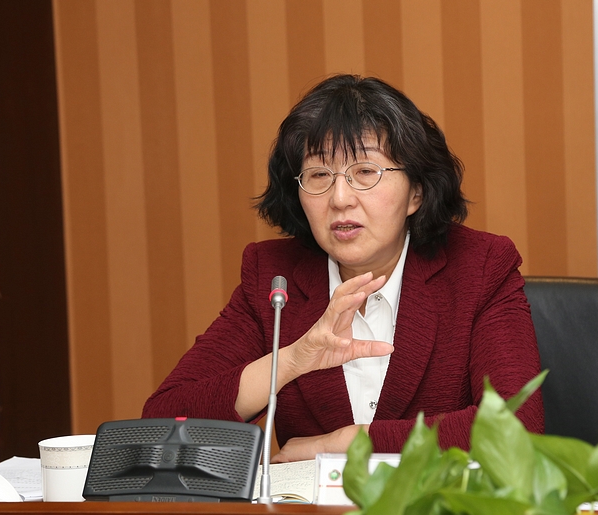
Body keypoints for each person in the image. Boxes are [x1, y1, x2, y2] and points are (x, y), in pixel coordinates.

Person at [142, 74, 544, 461]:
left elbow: (516, 427)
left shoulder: (480, 267)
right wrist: (291, 361)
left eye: (365, 172)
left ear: (416, 193)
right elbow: (162, 422)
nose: (339, 198)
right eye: (319, 174)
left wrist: (352, 441)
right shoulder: (274, 276)